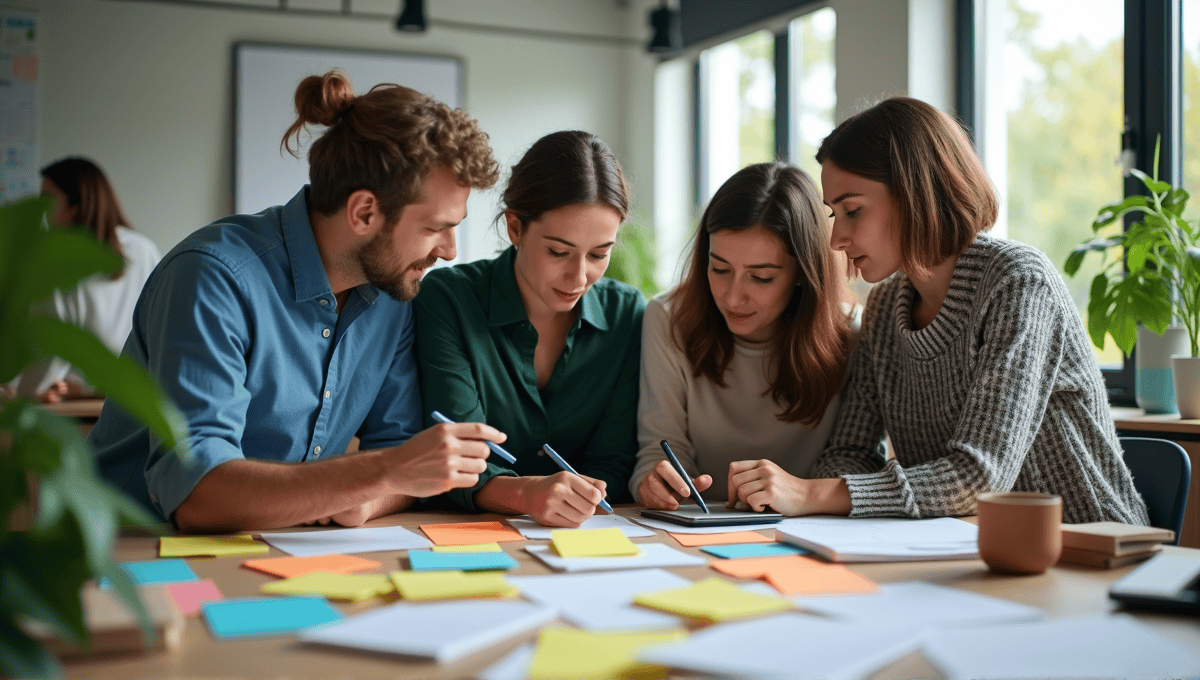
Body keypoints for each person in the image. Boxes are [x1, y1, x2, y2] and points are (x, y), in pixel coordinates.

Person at [88, 70, 507, 533]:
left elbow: (402, 452)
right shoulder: (212, 276)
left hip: (280, 550)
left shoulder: (391, 292)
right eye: (434, 228)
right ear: (364, 212)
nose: (448, 250)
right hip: (131, 552)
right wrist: (381, 473)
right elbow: (198, 493)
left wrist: (365, 500)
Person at [794, 96, 1148, 524]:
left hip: (1088, 546)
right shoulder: (885, 308)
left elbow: (980, 478)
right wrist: (818, 490)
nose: (836, 240)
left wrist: (815, 493)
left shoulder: (1017, 282)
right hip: (966, 550)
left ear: (915, 192)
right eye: (835, 214)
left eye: (852, 211)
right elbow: (848, 452)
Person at [415, 130, 645, 527]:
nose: (579, 276)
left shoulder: (626, 314)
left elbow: (614, 460)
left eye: (599, 254)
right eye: (558, 252)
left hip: (588, 535)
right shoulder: (449, 300)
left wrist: (578, 498)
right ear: (515, 228)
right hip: (462, 532)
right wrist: (527, 494)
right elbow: (456, 457)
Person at [631, 162, 855, 514]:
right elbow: (658, 448)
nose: (733, 298)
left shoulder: (852, 336)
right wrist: (653, 481)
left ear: (802, 274)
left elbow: (855, 465)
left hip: (808, 533)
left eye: (761, 277)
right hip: (695, 529)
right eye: (719, 269)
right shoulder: (668, 319)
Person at [14, 158, 161, 402]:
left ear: (76, 204)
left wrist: (19, 394)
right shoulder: (144, 248)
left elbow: (50, 351)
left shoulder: (59, 260)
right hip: (138, 400)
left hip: (78, 408)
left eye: (48, 200)